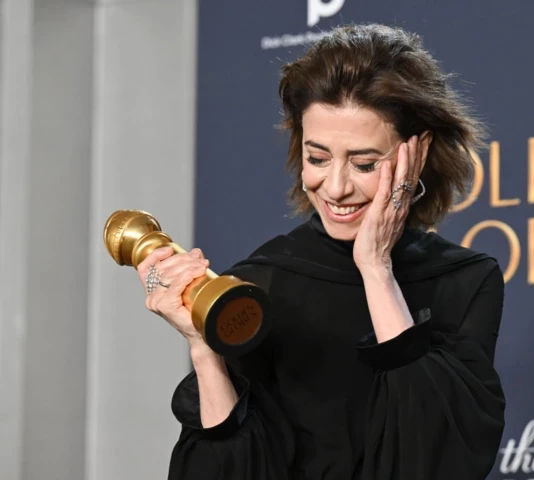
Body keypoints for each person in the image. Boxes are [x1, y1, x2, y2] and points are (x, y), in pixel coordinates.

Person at [140, 24, 506, 480]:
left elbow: (436, 457)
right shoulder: (259, 282)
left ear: (417, 152)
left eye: (364, 163)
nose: (334, 187)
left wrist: (376, 269)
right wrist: (203, 348)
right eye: (317, 158)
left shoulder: (466, 280)